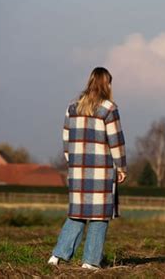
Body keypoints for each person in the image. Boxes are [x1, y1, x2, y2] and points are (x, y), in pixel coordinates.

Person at [48, 67, 127, 269]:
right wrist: (121, 167)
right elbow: (116, 141)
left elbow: (66, 139)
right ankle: (90, 261)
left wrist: (72, 162)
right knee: (99, 217)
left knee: (77, 214)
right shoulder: (109, 108)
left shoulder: (72, 107)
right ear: (106, 83)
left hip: (77, 170)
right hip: (101, 171)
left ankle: (57, 256)